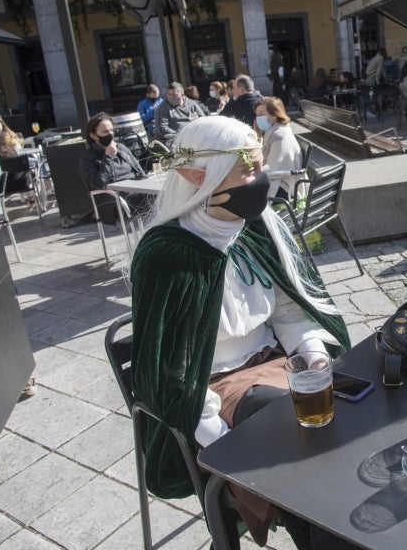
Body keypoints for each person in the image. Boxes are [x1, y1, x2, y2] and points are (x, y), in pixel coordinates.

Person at [128, 116, 352, 549]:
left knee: (348, 412)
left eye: (259, 163)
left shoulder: (253, 228)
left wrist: (312, 355)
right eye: (248, 167)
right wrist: (219, 439)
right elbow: (168, 371)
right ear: (198, 176)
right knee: (296, 438)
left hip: (278, 363)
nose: (261, 178)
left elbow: (288, 308)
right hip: (214, 387)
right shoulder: (166, 254)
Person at [78, 112, 149, 224]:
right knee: (157, 201)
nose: (110, 134)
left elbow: (140, 171)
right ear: (93, 135)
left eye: (111, 130)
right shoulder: (87, 158)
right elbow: (99, 184)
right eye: (105, 132)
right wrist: (108, 156)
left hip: (136, 192)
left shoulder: (121, 147)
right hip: (114, 201)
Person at [255, 96, 302, 200]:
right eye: (257, 115)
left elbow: (273, 169)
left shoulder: (279, 136)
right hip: (280, 181)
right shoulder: (274, 131)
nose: (257, 118)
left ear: (274, 115)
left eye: (261, 114)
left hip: (283, 188)